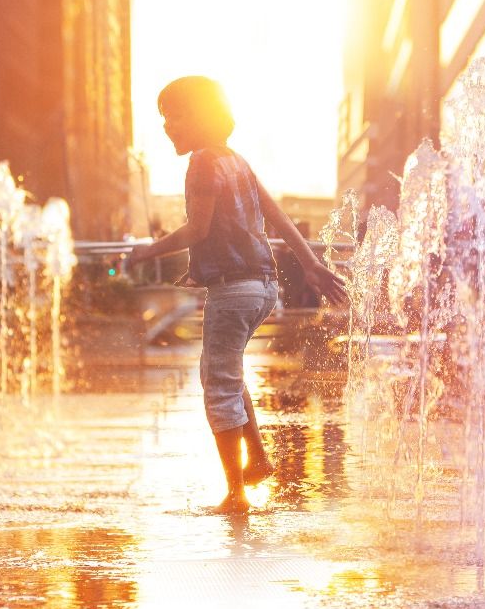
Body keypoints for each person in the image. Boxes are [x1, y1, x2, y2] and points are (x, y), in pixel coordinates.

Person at [128, 76, 346, 514]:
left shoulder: (203, 163)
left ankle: (236, 494)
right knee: (225, 372)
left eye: (175, 115)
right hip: (263, 288)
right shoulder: (237, 161)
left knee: (218, 386)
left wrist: (145, 252)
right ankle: (259, 460)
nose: (168, 126)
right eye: (164, 117)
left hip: (233, 291)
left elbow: (198, 229)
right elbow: (279, 218)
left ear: (202, 115)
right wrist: (311, 264)